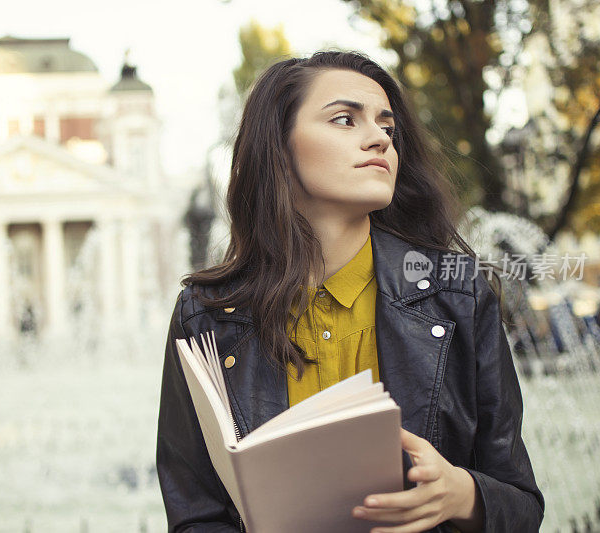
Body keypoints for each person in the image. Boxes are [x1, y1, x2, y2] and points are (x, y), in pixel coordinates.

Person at [156, 50, 544, 532]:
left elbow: (524, 507)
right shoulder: (205, 316)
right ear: (278, 144)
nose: (380, 137)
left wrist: (460, 494)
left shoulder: (459, 295)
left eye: (388, 128)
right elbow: (194, 514)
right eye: (345, 119)